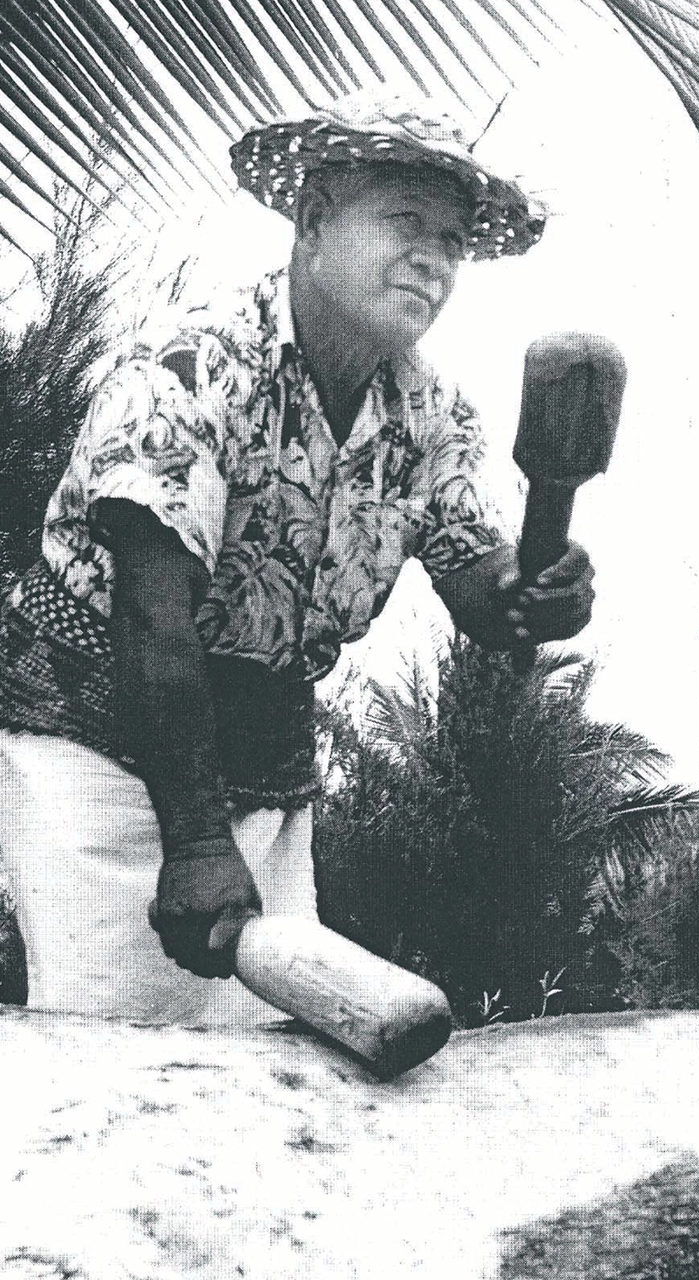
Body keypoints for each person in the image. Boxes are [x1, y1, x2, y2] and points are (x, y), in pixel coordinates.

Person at [0, 97, 594, 1027]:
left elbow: (485, 590)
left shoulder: (430, 415)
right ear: (315, 223)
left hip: (264, 756)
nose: (434, 260)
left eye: (452, 241)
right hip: (101, 734)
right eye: (406, 223)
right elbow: (151, 618)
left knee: (265, 1062)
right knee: (117, 1048)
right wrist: (195, 842)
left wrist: (541, 586)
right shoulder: (191, 368)